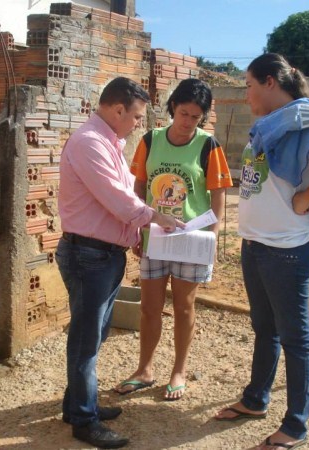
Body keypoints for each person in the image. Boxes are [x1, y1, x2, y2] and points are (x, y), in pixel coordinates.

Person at [214, 53, 309, 450]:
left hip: (285, 251)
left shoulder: (307, 122)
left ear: (269, 82)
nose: (245, 94)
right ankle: (255, 399)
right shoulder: (274, 125)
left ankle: (295, 426)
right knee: (265, 329)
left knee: (295, 338)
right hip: (256, 245)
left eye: (247, 85)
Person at [56, 76, 183, 449]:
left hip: (102, 255)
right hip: (89, 255)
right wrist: (157, 218)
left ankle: (77, 404)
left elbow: (126, 188)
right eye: (137, 116)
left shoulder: (109, 142)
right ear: (116, 110)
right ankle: (83, 420)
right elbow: (118, 199)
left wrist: (144, 221)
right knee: (86, 341)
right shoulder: (89, 143)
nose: (139, 123)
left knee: (93, 335)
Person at [114, 78, 233, 401]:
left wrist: (214, 236)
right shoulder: (150, 141)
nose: (187, 122)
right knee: (150, 307)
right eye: (183, 113)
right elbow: (139, 186)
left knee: (184, 307)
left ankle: (178, 371)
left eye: (195, 117)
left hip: (191, 239)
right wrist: (138, 228)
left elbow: (219, 194)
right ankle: (144, 369)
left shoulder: (209, 146)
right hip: (155, 236)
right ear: (172, 109)